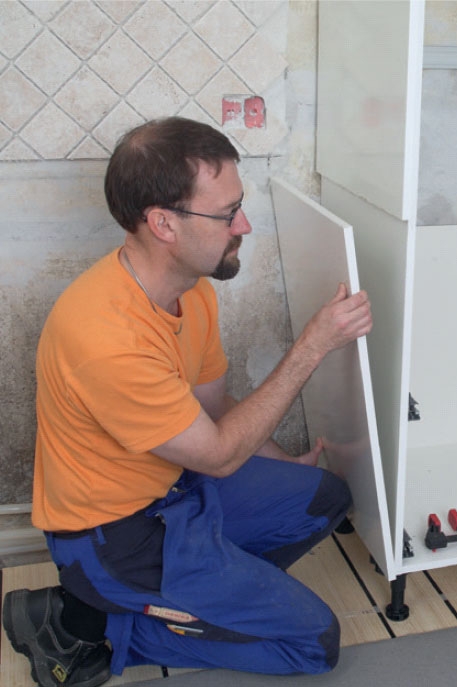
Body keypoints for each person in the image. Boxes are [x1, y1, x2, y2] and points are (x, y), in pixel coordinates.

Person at [2, 117, 372, 687]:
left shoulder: (190, 292)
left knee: (323, 497)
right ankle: (86, 627)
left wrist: (283, 464)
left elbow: (216, 407)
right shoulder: (105, 337)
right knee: (313, 644)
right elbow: (219, 455)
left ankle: (191, 598)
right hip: (114, 540)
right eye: (228, 214)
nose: (244, 225)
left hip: (176, 493)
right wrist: (312, 346)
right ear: (163, 224)